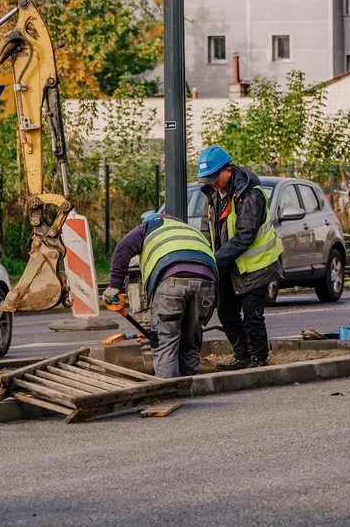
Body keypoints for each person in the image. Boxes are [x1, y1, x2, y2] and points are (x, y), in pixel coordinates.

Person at [102, 213, 217, 379]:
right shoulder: (190, 231)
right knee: (191, 341)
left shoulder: (150, 226)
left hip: (172, 281)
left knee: (165, 342)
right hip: (207, 284)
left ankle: (170, 391)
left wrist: (115, 286)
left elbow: (123, 247)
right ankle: (191, 388)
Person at [197, 145, 283, 370]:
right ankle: (242, 356)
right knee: (226, 312)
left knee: (252, 315)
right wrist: (206, 254)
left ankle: (258, 359)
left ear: (228, 170)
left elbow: (245, 235)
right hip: (230, 265)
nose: (212, 184)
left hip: (257, 266)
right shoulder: (215, 194)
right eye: (208, 180)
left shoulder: (250, 194)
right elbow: (209, 229)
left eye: (215, 178)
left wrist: (214, 262)